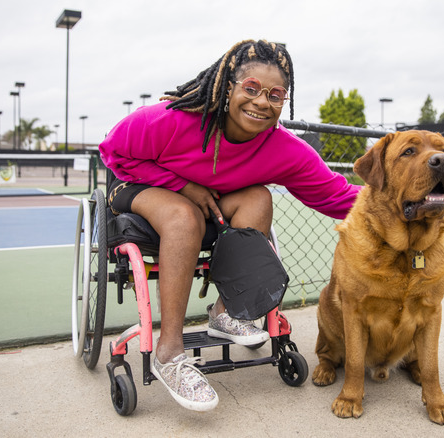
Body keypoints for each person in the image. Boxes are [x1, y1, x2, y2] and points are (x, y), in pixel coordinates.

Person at [99, 39, 360, 411]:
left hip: (210, 201)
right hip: (138, 185)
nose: (261, 102)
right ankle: (169, 353)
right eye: (251, 88)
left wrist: (402, 200)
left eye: (275, 94)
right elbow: (113, 151)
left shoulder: (284, 149)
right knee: (182, 215)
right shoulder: (169, 119)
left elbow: (336, 195)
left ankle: (225, 313)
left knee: (258, 197)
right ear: (228, 88)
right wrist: (185, 187)